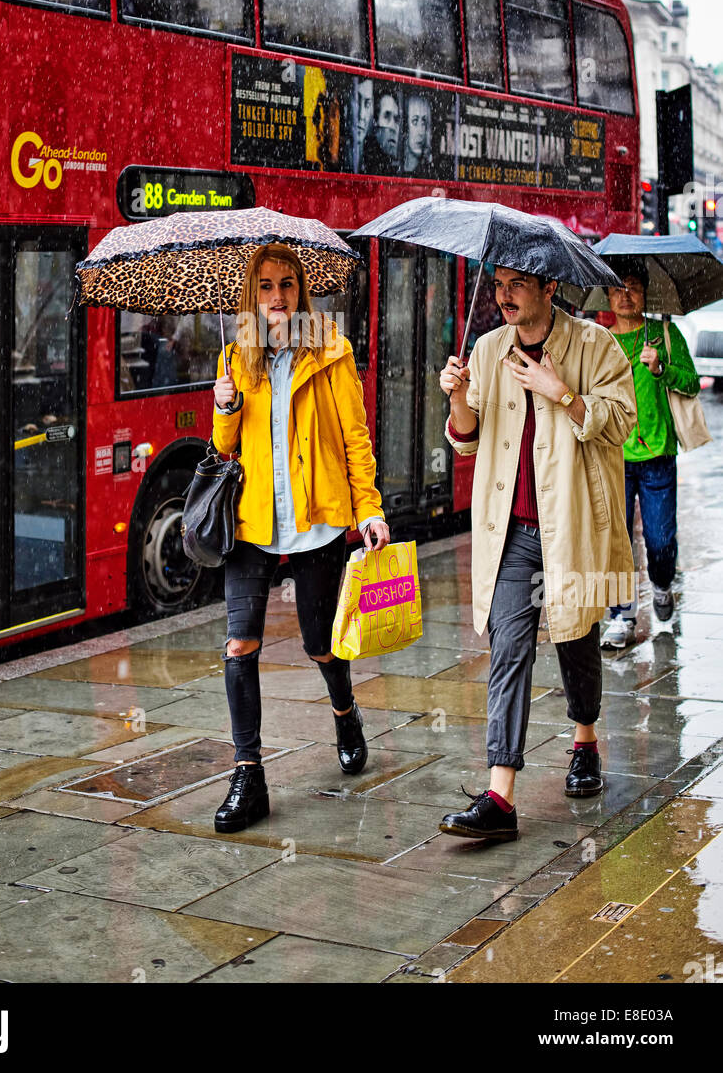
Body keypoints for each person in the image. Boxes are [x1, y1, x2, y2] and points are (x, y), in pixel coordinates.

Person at [438, 267, 635, 841]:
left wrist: (564, 394)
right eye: (499, 283)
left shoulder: (593, 344)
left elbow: (623, 422)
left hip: (572, 528)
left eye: (518, 283)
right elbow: (466, 437)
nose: (503, 294)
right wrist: (456, 398)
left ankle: (585, 740)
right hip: (513, 533)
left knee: (576, 639)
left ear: (550, 289)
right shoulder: (488, 348)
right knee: (509, 648)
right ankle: (500, 796)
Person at [211, 244, 390, 832]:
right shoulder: (235, 355)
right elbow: (223, 450)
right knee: (240, 645)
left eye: (287, 285)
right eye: (265, 287)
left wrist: (369, 511)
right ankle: (248, 775)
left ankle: (345, 711)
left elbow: (355, 440)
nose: (277, 297)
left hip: (315, 523)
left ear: (301, 292)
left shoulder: (331, 351)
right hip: (252, 524)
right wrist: (225, 406)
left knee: (320, 644)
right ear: (251, 295)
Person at [601, 263, 701, 648]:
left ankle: (661, 583)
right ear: (608, 296)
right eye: (618, 289)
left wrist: (661, 369)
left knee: (659, 541)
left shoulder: (664, 334)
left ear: (645, 294)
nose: (625, 295)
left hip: (658, 454)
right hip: (613, 457)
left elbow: (691, 383)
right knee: (618, 544)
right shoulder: (601, 342)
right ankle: (621, 616)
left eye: (634, 288)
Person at [362, 88, 401, 175]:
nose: (393, 127)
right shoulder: (366, 163)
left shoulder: (392, 167)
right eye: (387, 116)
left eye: (396, 119)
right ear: (375, 121)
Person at [403, 93, 433, 176]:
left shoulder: (429, 173)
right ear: (405, 126)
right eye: (415, 122)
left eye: (424, 123)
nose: (421, 132)